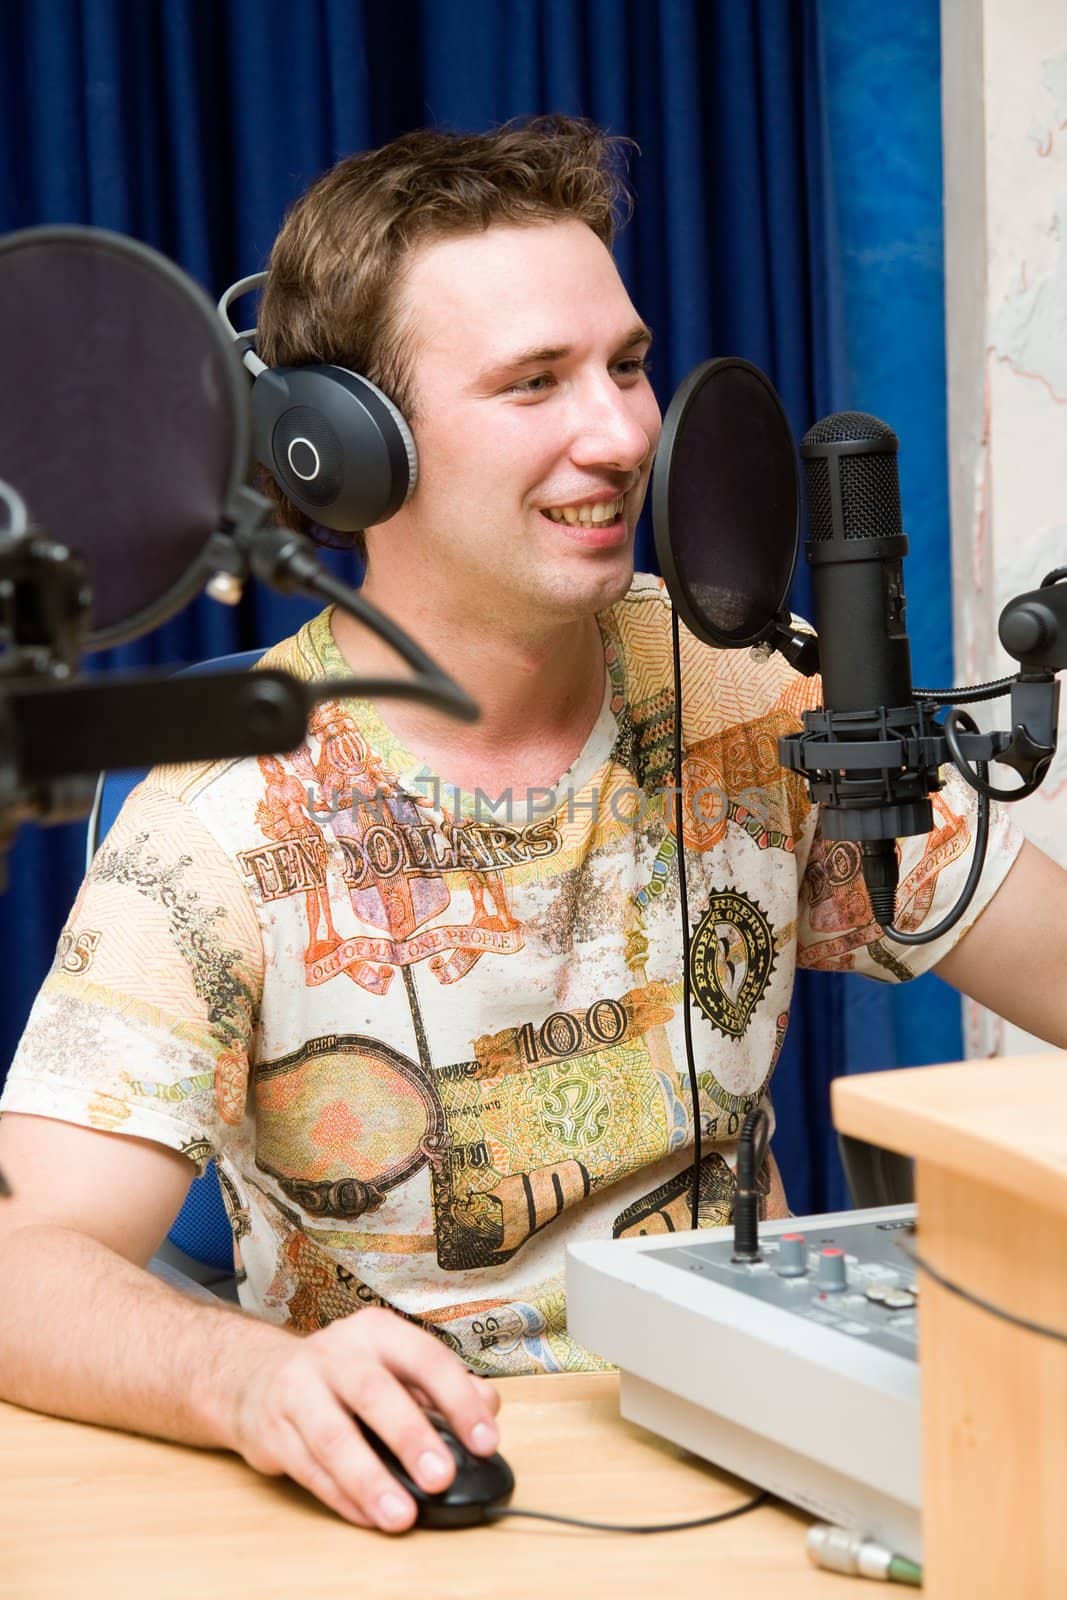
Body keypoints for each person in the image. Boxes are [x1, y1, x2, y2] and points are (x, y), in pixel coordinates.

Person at [1, 116, 1065, 1536]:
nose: (624, 433)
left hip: (757, 1462)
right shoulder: (215, 816)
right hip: (427, 1508)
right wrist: (247, 1383)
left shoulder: (751, 685)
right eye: (533, 383)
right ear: (348, 452)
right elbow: (27, 1267)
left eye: (625, 364)